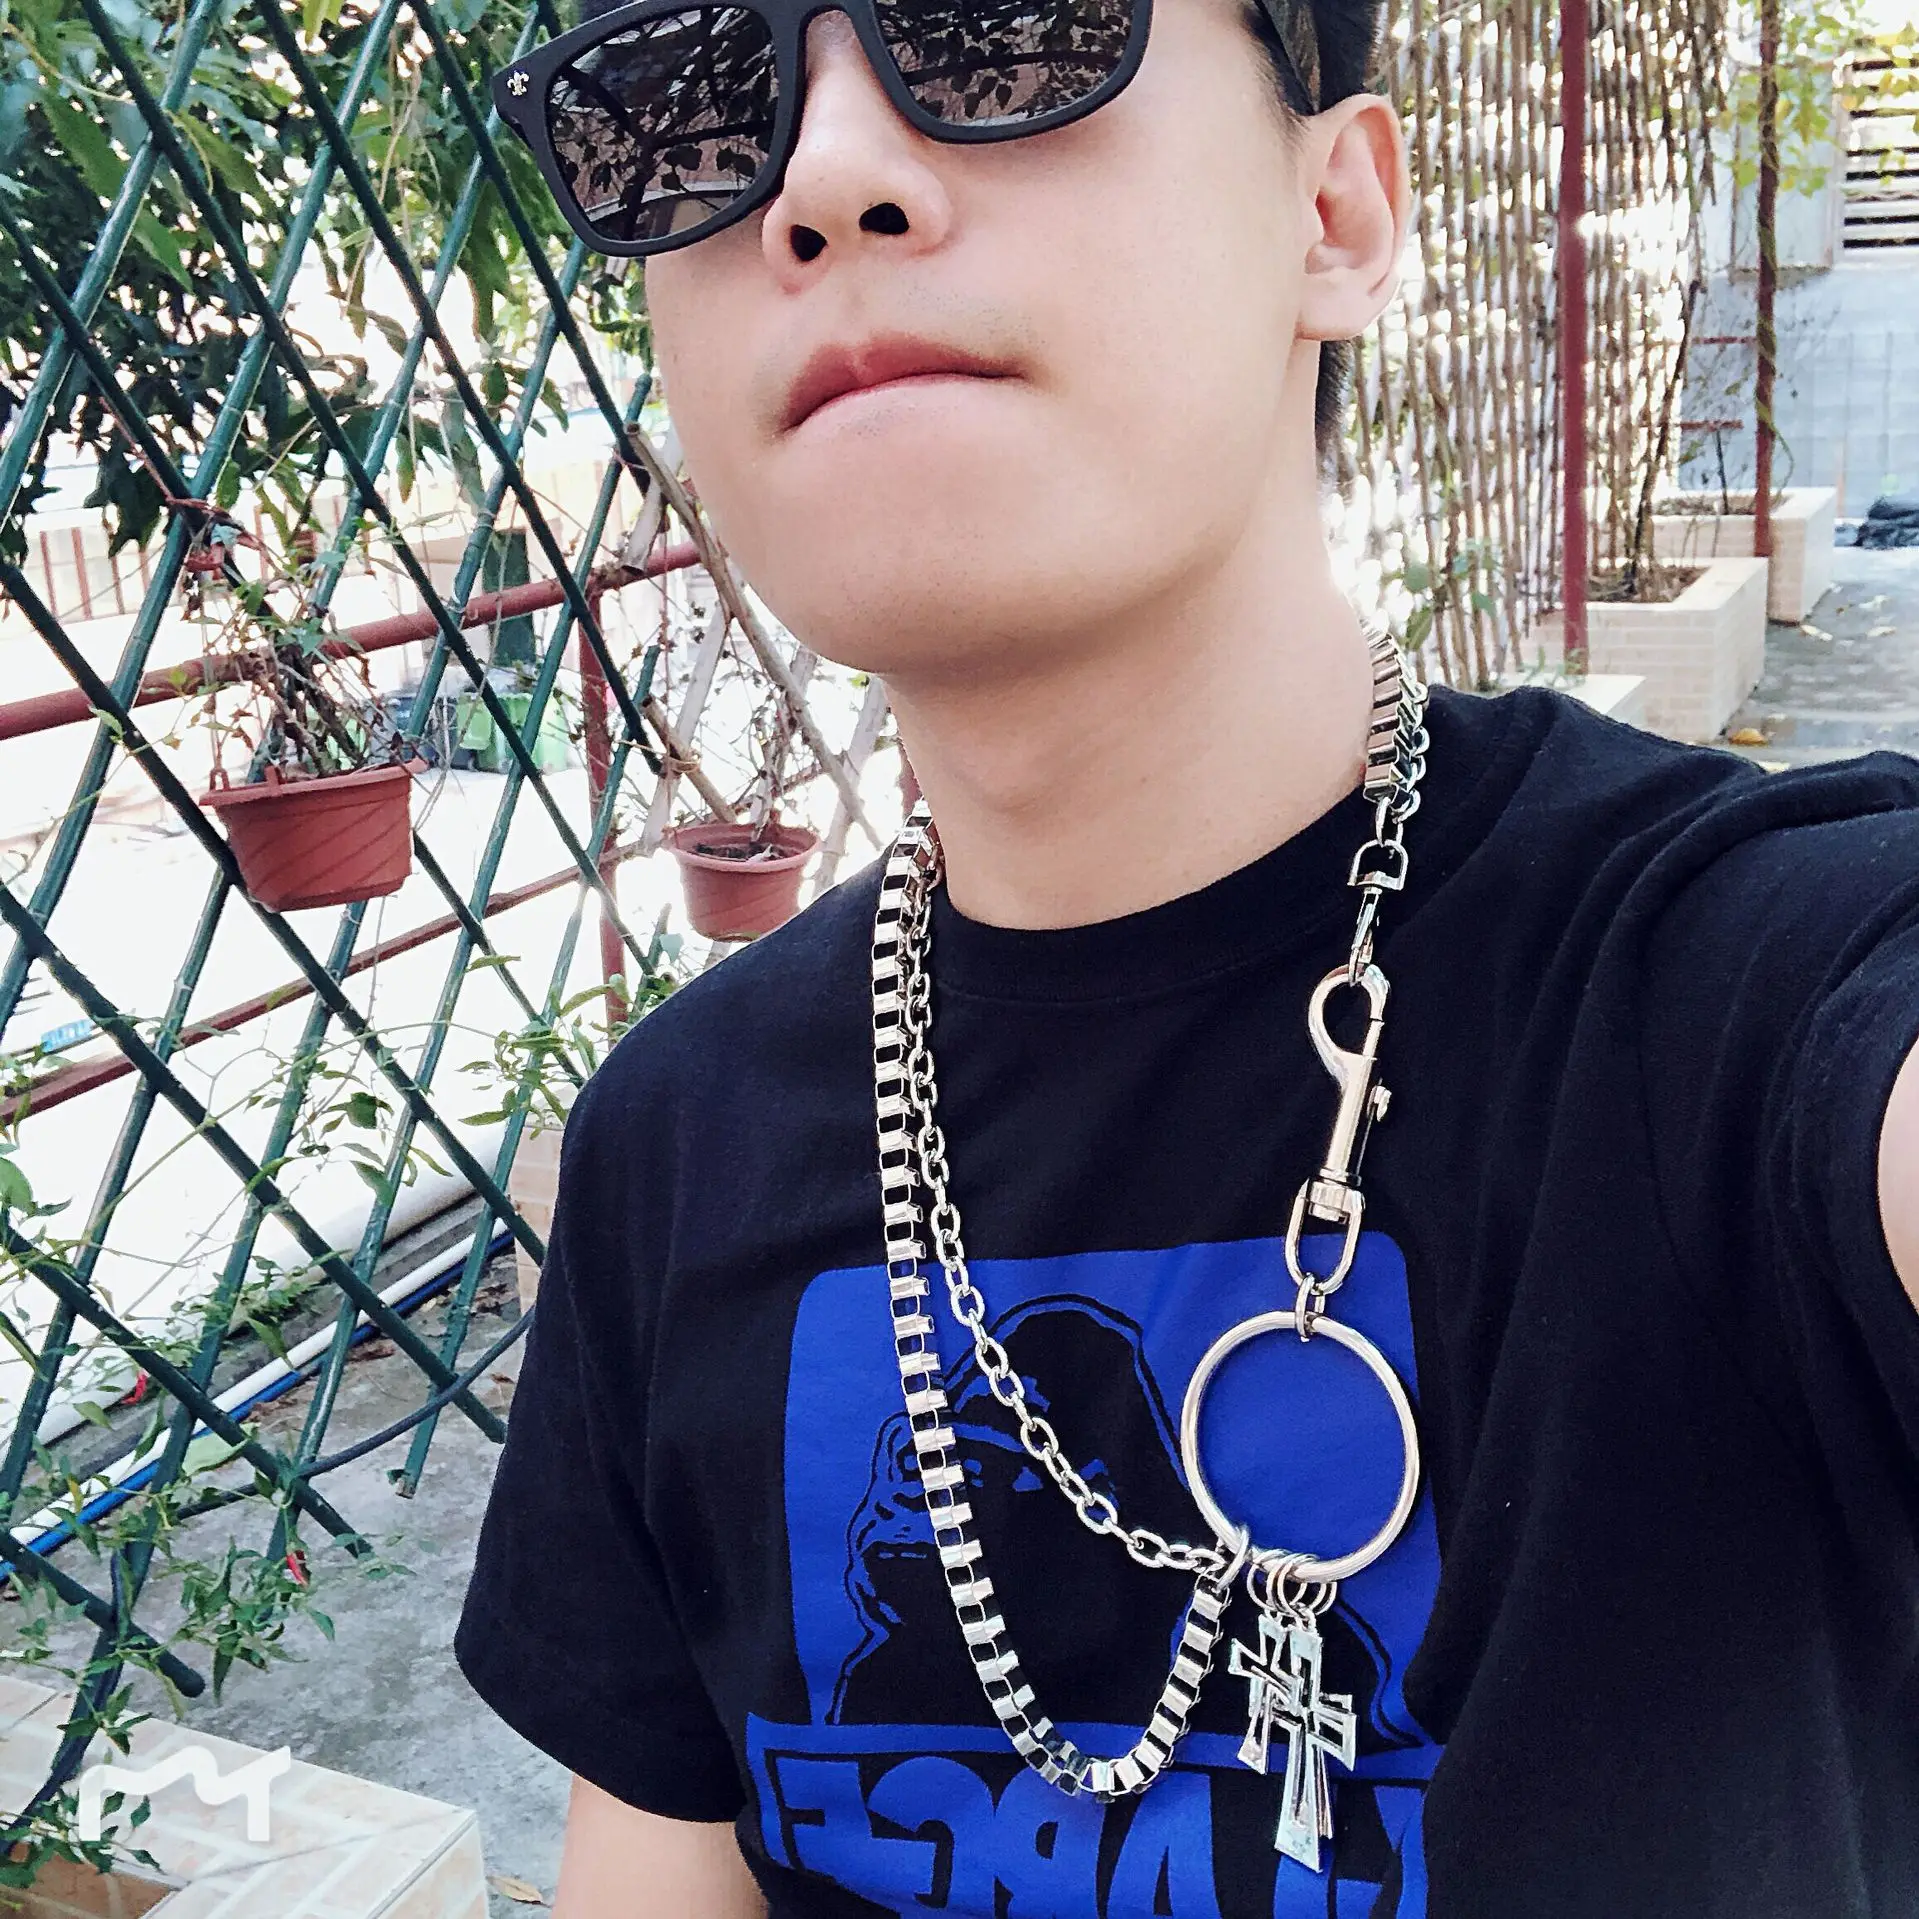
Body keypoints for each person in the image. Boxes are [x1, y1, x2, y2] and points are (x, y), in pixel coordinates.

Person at [453, 0, 1919, 1910]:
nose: (822, 177)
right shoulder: (671, 1144)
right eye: (691, 104)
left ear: (1334, 217)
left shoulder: (1732, 991)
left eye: (998, 32)